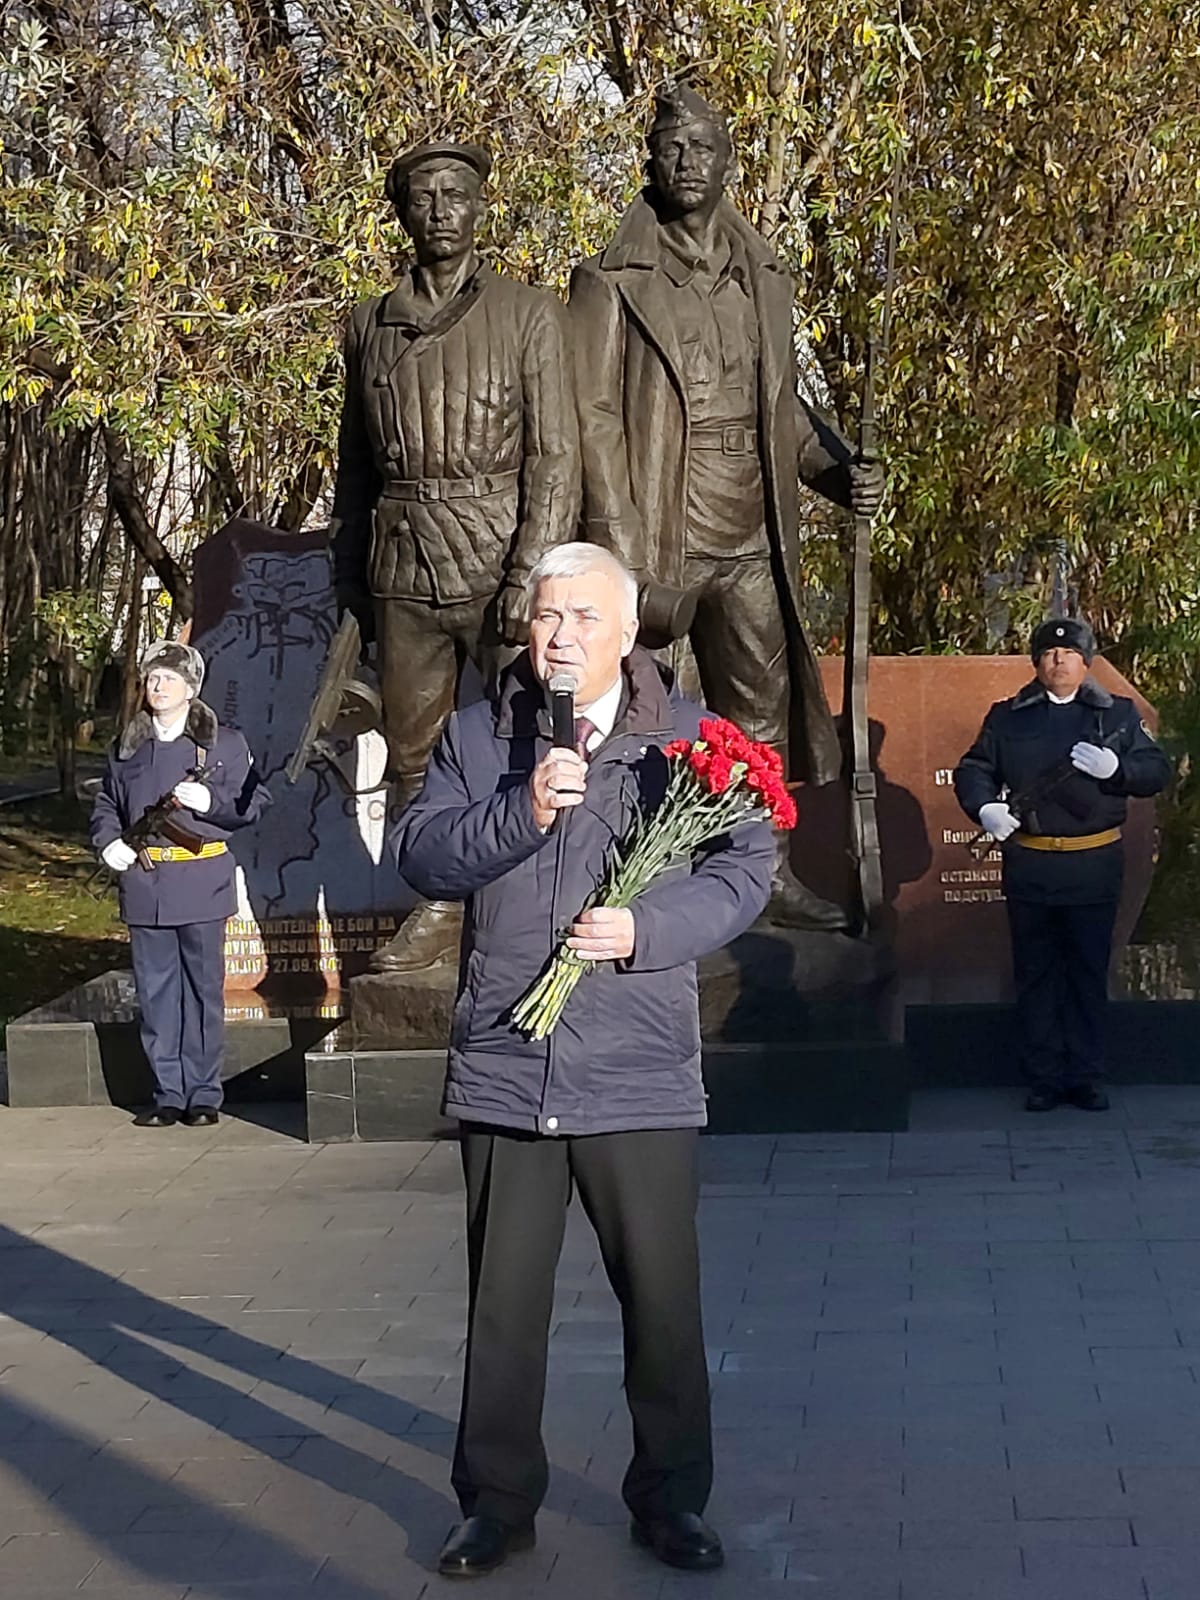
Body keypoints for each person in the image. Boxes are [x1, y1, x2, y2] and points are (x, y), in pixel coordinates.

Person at [392, 542, 773, 1578]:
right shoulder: (480, 733)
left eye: (583, 617)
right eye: (546, 615)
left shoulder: (688, 740)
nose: (559, 636)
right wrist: (522, 810)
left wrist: (648, 930)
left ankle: (672, 1499)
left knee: (662, 1303)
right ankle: (496, 1504)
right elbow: (422, 852)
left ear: (629, 631)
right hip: (510, 1061)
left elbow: (744, 867)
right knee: (503, 1309)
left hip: (636, 1067)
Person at [568, 82, 884, 931]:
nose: (686, 162)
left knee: (758, 713)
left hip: (752, 532)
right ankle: (640, 879)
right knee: (644, 716)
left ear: (728, 163)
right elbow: (590, 416)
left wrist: (838, 472)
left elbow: (780, 409)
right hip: (659, 533)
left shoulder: (762, 279)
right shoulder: (609, 281)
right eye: (671, 149)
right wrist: (618, 547)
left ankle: (761, 872)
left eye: (702, 148)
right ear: (649, 163)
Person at [330, 139, 579, 974]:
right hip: (402, 562)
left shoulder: (529, 313)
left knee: (529, 732)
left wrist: (530, 572)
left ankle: (536, 893)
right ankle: (436, 902)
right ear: (403, 212)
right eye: (424, 197)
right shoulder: (369, 324)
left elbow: (556, 455)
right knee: (412, 749)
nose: (441, 212)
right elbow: (355, 468)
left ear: (480, 208)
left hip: (499, 555)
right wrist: (349, 581)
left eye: (457, 195)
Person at [954, 619, 1170, 1112]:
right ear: (1036, 662)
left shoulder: (1117, 714)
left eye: (1070, 652)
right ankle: (1044, 1077)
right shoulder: (1008, 717)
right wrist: (985, 808)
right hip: (1031, 863)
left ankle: (1086, 1075)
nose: (1059, 660)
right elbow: (975, 768)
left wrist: (1118, 769)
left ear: (1086, 662)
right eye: (1050, 653)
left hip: (1093, 862)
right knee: (1036, 973)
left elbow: (1155, 770)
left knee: (1087, 971)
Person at [90, 641, 272, 1127]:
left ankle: (204, 1094)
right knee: (156, 997)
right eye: (152, 678)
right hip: (146, 883)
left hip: (200, 883)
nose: (158, 686)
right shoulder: (128, 746)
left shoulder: (223, 744)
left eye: (169, 679)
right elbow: (107, 802)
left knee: (202, 993)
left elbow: (255, 801)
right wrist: (108, 842)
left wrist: (212, 802)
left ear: (191, 689)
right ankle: (168, 1093)